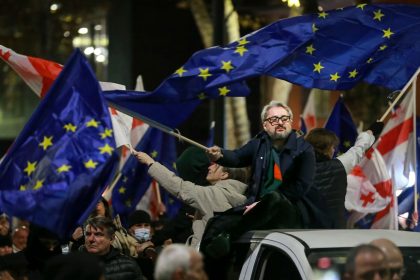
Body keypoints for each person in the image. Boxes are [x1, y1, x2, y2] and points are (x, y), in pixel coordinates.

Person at [133, 150, 249, 248]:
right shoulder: (242, 196)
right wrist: (202, 219)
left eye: (216, 165)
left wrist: (151, 163)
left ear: (224, 175)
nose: (210, 166)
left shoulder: (214, 194)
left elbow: (180, 187)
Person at [305, 127, 376, 228]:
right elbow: (358, 150)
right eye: (333, 147)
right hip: (335, 229)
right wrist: (368, 134)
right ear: (328, 149)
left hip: (305, 230)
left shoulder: (298, 168)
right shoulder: (339, 165)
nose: (334, 150)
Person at [127, 210, 157, 280]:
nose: (143, 228)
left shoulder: (156, 247)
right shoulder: (125, 249)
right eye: (139, 225)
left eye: (146, 225)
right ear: (130, 229)